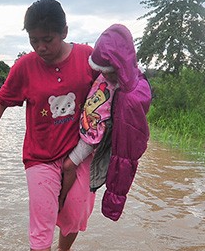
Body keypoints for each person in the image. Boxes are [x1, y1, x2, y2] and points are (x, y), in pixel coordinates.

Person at [0, 0, 98, 251]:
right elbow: (1, 100)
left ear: (64, 31)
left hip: (79, 154)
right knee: (41, 221)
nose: (40, 47)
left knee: (74, 215)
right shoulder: (25, 67)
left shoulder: (87, 58)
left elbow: (108, 92)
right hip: (40, 158)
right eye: (34, 40)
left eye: (47, 39)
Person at [58, 24, 152, 220]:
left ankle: (61, 199)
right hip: (86, 124)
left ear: (120, 66)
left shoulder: (130, 90)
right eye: (104, 71)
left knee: (68, 165)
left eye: (110, 72)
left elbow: (128, 143)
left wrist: (114, 201)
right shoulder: (106, 74)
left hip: (93, 136)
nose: (106, 75)